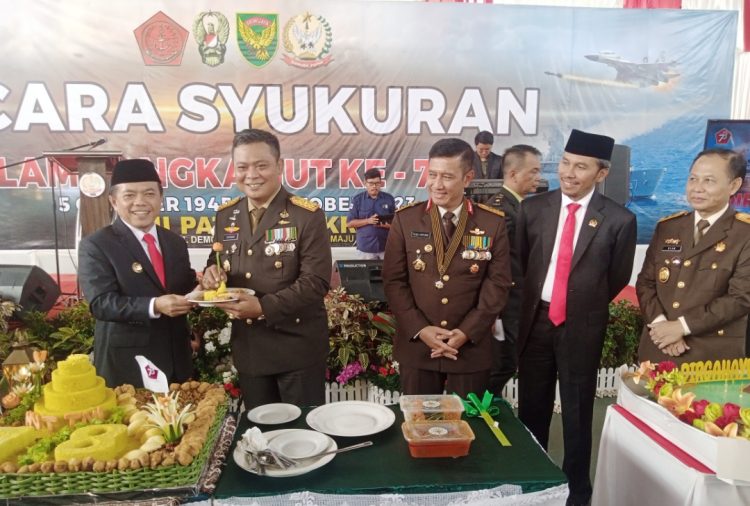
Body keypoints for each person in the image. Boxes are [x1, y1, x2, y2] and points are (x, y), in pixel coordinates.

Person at [515, 129, 636, 506]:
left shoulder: (618, 220)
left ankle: (576, 492)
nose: (569, 172)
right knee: (532, 407)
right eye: (566, 163)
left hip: (580, 326)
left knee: (578, 411)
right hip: (535, 323)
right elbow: (520, 265)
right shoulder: (533, 209)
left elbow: (615, 277)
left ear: (601, 174)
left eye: (580, 167)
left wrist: (579, 304)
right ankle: (532, 483)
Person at [201, 129, 332, 409]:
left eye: (261, 165)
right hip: (249, 349)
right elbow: (219, 260)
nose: (252, 175)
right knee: (261, 439)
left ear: (279, 166)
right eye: (242, 167)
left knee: (301, 440)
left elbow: (316, 282)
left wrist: (263, 307)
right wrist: (212, 274)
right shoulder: (227, 215)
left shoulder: (305, 215)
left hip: (297, 350)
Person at [383, 138, 512, 397]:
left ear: (467, 178)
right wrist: (421, 329)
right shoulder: (406, 219)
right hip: (419, 346)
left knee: (468, 428)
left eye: (447, 177)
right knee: (418, 426)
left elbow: (497, 285)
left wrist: (466, 332)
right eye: (432, 175)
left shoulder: (492, 223)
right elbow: (394, 281)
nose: (437, 185)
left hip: (468, 349)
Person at [79, 159, 197, 388]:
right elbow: (101, 303)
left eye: (149, 194)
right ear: (113, 201)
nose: (140, 202)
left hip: (177, 359)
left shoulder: (175, 242)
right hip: (129, 365)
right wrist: (154, 305)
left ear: (160, 198)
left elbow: (182, 289)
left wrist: (204, 290)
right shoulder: (97, 245)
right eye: (129, 195)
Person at [637, 148, 750, 365]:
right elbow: (646, 283)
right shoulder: (668, 227)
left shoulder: (744, 234)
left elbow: (741, 297)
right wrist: (661, 327)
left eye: (709, 181)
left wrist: (681, 327)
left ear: (734, 186)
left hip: (710, 358)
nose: (697, 188)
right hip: (658, 349)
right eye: (693, 179)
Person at [487, 144, 542, 395]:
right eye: (533, 172)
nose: (537, 178)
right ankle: (477, 411)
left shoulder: (520, 207)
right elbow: (496, 264)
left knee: (508, 362)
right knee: (503, 364)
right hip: (506, 303)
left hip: (518, 301)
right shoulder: (502, 210)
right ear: (513, 174)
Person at [347, 168, 396, 259]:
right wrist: (368, 221)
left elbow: (396, 223)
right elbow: (350, 223)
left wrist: (385, 225)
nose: (374, 186)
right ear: (365, 183)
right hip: (366, 248)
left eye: (377, 183)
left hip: (386, 247)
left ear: (381, 183)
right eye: (371, 183)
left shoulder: (389, 199)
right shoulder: (357, 200)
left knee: (388, 273)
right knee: (365, 274)